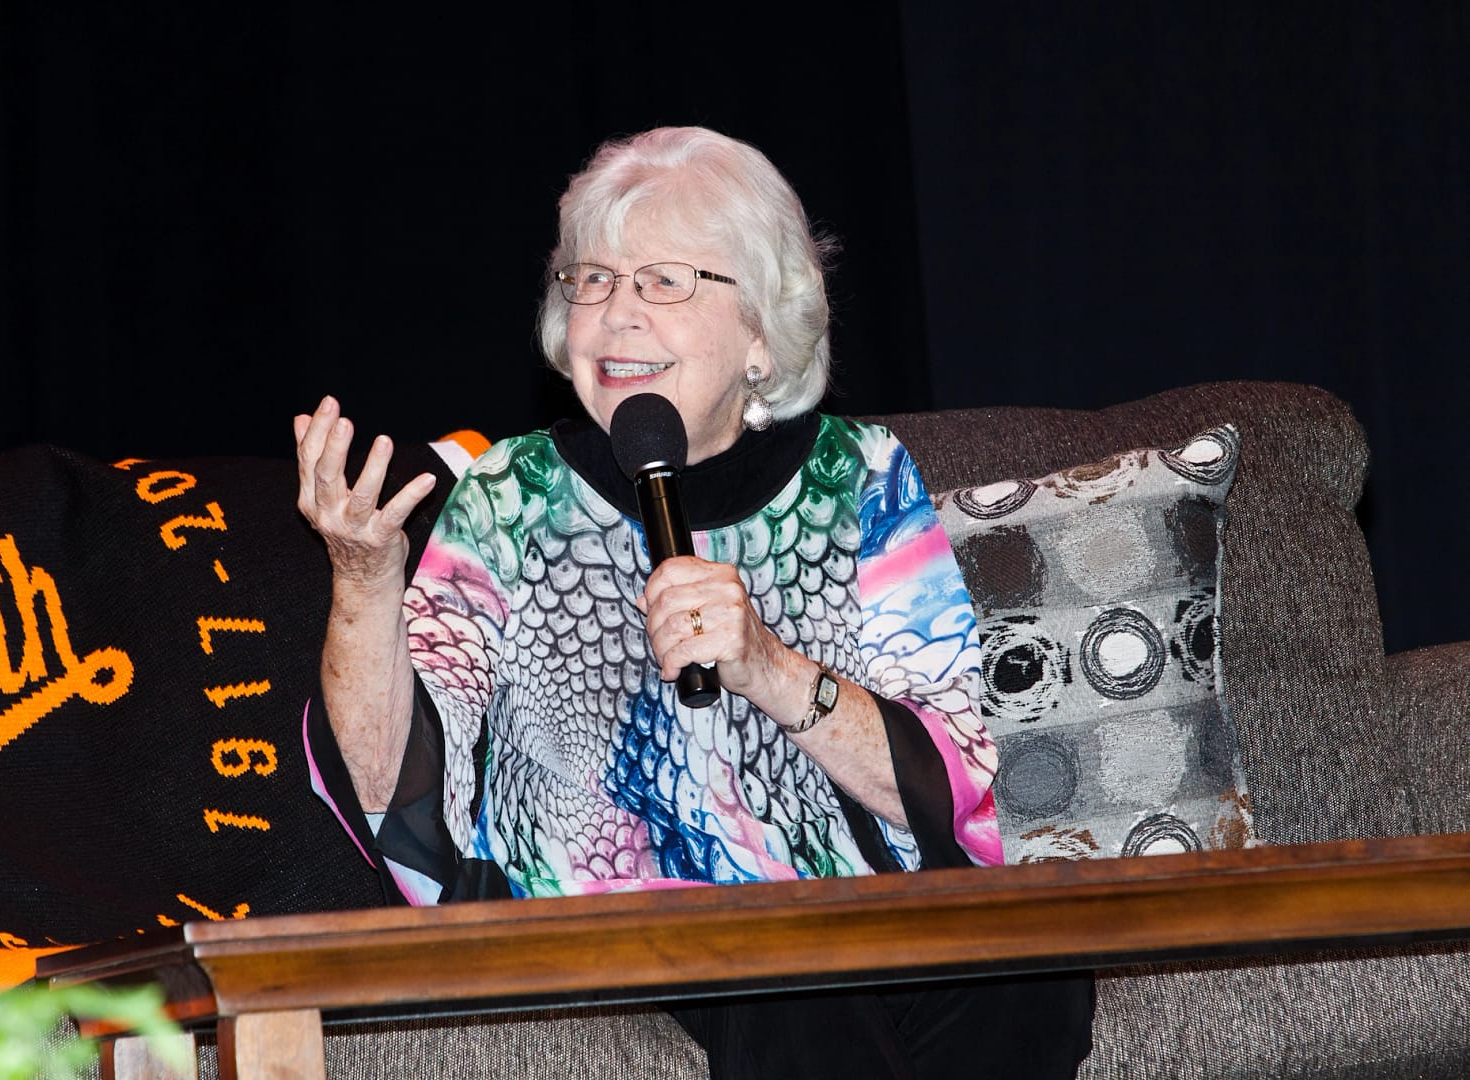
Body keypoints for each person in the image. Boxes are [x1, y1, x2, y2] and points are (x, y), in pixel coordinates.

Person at [295, 126, 1093, 1078]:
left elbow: (963, 779)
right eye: (591, 281)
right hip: (608, 917)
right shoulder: (512, 495)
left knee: (1029, 967)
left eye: (664, 282)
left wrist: (772, 669)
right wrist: (365, 581)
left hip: (845, 912)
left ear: (761, 329)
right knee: (787, 971)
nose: (617, 315)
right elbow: (396, 790)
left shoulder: (859, 478)